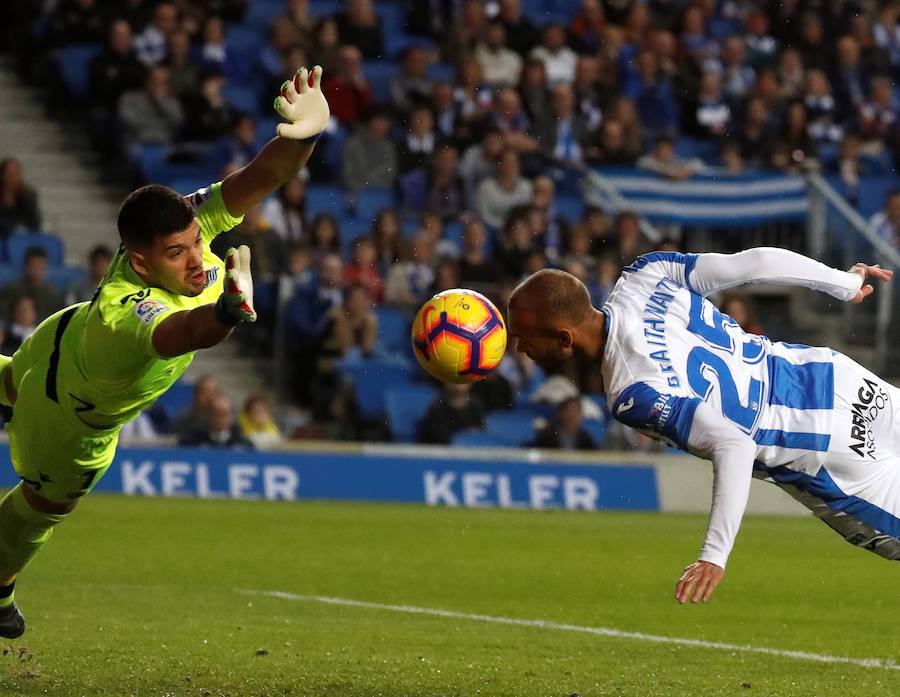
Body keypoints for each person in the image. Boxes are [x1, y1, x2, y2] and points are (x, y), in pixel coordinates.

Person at [0, 65, 331, 638]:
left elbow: (261, 176)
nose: (197, 260)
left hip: (52, 342)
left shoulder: (189, 225)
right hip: (73, 420)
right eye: (177, 254)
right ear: (140, 262)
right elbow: (182, 334)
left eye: (195, 244)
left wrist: (302, 136)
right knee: (44, 506)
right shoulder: (127, 311)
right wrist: (228, 310)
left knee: (9, 385)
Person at [506, 248, 898, 606]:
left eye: (524, 340)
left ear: (563, 338)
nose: (520, 350)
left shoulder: (633, 392)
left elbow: (736, 445)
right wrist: (842, 281)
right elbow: (755, 263)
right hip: (834, 380)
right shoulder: (646, 273)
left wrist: (714, 554)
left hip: (826, 454)